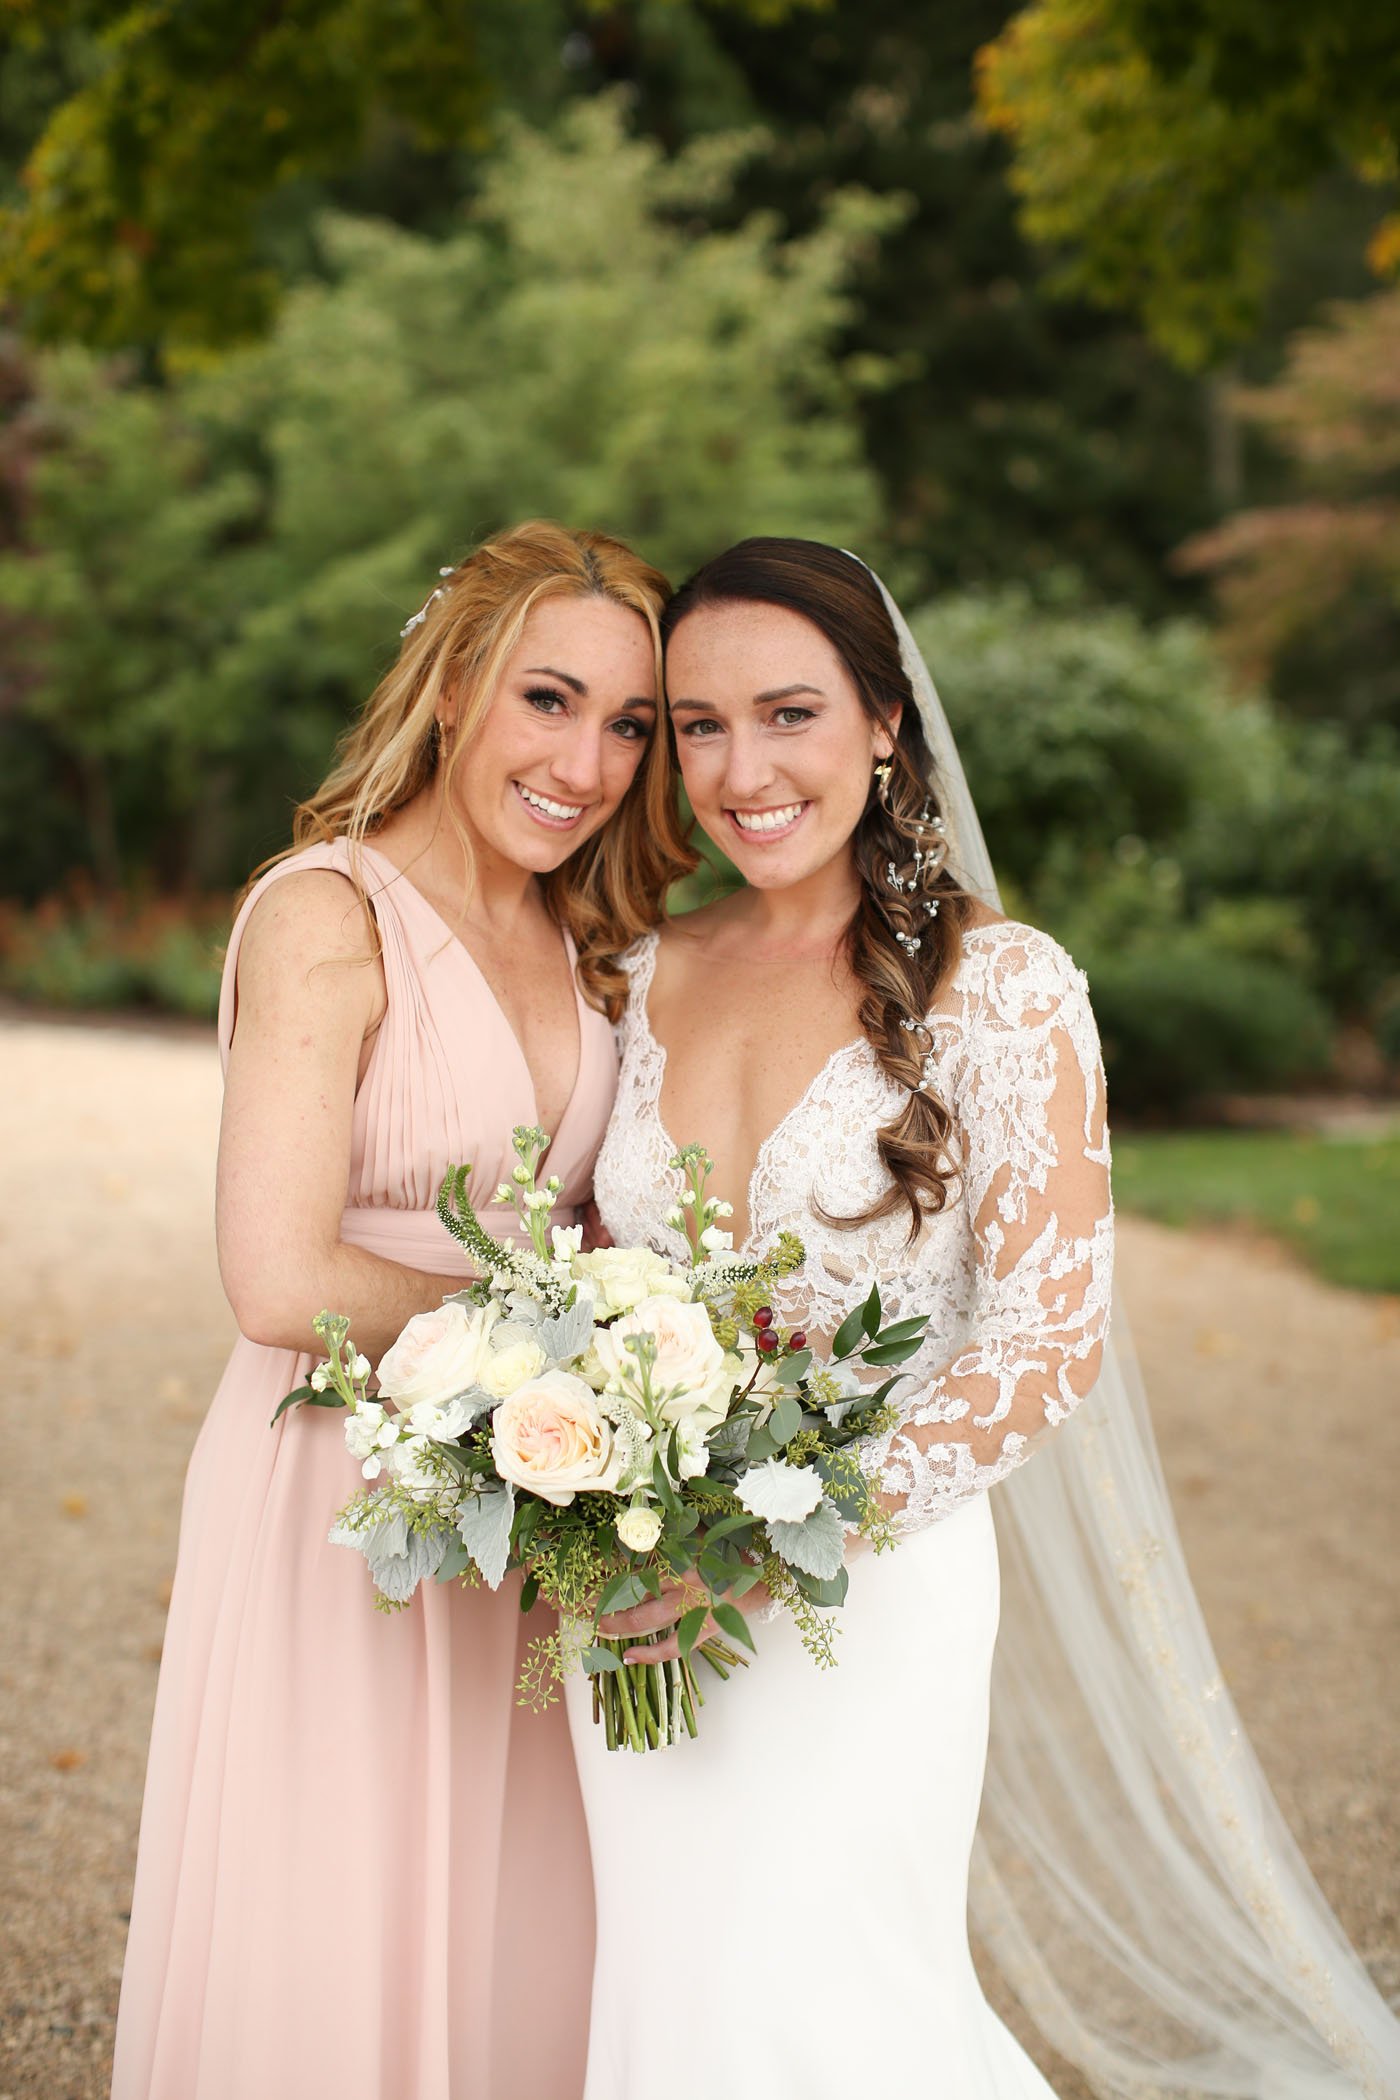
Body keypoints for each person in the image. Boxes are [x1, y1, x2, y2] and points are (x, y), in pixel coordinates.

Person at [574, 539, 1400, 2100]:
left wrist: (764, 1534)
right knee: (672, 1983)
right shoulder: (636, 972)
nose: (740, 770)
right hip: (627, 1590)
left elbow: (1044, 1342)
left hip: (864, 1592)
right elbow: (584, 1269)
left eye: (788, 714)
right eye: (695, 725)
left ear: (887, 724)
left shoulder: (1002, 988)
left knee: (833, 1988)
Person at [111, 520, 689, 2100]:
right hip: (342, 1492)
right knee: (333, 1921)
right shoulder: (328, 916)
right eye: (548, 700)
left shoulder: (592, 946)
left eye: (630, 726)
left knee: (518, 1932)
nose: (586, 760)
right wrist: (565, 1340)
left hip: (531, 1496)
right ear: (454, 693)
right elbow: (278, 1277)